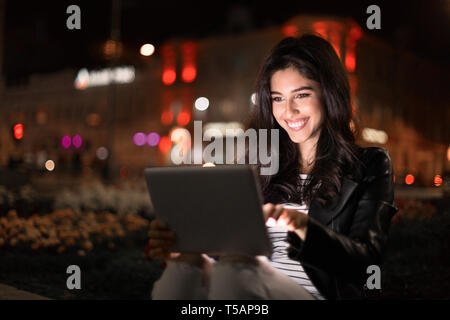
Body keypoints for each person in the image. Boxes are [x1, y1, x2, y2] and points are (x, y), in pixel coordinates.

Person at [146, 34, 399, 300]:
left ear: (329, 93)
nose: (288, 111)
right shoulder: (257, 164)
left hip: (313, 295)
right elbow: (225, 250)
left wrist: (305, 227)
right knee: (187, 265)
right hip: (246, 291)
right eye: (277, 98)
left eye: (301, 95)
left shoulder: (369, 165)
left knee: (237, 269)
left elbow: (367, 263)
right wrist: (181, 242)